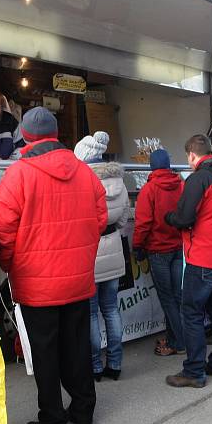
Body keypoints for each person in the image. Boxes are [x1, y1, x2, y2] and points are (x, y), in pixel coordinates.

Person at [0, 107, 107, 424]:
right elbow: (101, 220)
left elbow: (3, 232)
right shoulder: (85, 172)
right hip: (78, 280)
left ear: (25, 136)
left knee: (45, 355)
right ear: (56, 134)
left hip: (36, 285)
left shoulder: (18, 175)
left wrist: (10, 264)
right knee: (77, 347)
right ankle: (84, 413)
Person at [164, 134, 212, 388]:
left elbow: (184, 218)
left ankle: (194, 371)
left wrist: (169, 218)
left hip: (203, 256)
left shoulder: (199, 178)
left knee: (192, 314)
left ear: (192, 155)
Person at [74, 131, 130, 380]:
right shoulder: (119, 181)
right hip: (114, 248)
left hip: (90, 253)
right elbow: (124, 218)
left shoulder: (81, 182)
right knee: (111, 309)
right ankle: (115, 364)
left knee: (91, 314)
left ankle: (95, 366)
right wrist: (111, 232)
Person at [132, 149, 185, 357]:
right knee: (178, 297)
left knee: (168, 299)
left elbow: (143, 224)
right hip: (179, 247)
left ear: (152, 166)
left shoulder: (149, 189)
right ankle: (176, 338)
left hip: (158, 250)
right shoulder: (181, 185)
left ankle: (178, 343)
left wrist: (137, 246)